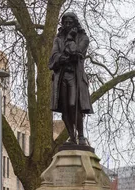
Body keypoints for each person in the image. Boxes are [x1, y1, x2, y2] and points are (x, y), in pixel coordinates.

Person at [49, 12, 94, 145]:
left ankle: (80, 136)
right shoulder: (57, 39)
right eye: (65, 22)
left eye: (70, 22)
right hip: (62, 77)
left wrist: (70, 39)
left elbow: (77, 53)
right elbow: (54, 57)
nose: (67, 25)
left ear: (75, 24)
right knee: (64, 109)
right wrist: (62, 58)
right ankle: (72, 137)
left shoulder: (83, 38)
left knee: (74, 105)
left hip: (75, 77)